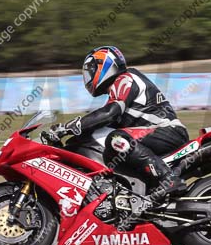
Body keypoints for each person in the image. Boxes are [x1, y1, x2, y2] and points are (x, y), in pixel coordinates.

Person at [49, 46, 189, 204]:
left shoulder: (126, 78)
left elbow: (110, 113)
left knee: (117, 138)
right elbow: (103, 121)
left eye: (91, 70)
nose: (89, 76)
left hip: (168, 131)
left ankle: (168, 179)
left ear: (105, 65)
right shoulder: (118, 89)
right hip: (156, 134)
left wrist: (70, 126)